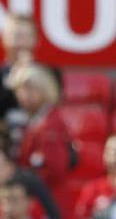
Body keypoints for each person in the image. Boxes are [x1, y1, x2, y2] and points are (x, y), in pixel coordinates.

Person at [0, 15, 63, 128]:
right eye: (16, 36)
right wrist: (14, 79)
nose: (21, 43)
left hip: (41, 137)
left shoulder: (50, 73)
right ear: (4, 39)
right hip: (6, 139)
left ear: (36, 40)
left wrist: (33, 76)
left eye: (26, 36)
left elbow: (54, 105)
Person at [10, 64, 72, 207]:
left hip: (49, 201)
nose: (23, 94)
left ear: (45, 89)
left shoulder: (50, 125)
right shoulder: (33, 120)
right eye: (20, 89)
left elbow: (55, 169)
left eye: (29, 88)